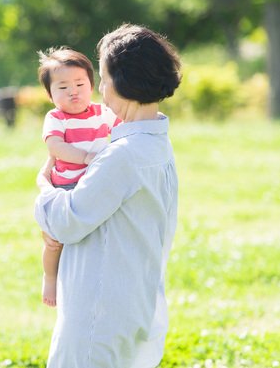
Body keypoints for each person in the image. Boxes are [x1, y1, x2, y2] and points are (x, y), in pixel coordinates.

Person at [34, 24, 181, 368]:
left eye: (102, 78)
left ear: (123, 82)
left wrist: (44, 189)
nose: (99, 89)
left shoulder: (123, 155)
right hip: (130, 300)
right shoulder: (155, 142)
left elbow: (67, 223)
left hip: (98, 312)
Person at [36, 47, 119, 307]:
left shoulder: (101, 112)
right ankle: (50, 277)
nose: (73, 91)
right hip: (67, 186)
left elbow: (121, 129)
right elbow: (55, 147)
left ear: (92, 85)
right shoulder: (56, 117)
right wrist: (85, 158)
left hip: (95, 180)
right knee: (54, 241)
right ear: (50, 95)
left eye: (80, 84)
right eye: (62, 87)